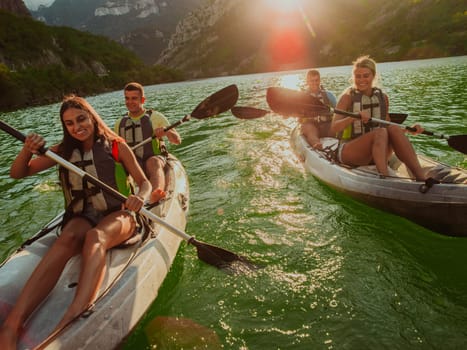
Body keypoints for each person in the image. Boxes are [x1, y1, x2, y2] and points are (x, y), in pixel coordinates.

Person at [0, 95, 151, 349]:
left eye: (81, 119)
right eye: (69, 123)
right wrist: (27, 148)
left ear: (91, 116)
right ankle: (12, 324)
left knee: (96, 238)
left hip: (120, 214)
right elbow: (19, 173)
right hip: (83, 215)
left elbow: (144, 181)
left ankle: (76, 311)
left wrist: (140, 197)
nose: (76, 126)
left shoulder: (116, 146)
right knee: (67, 238)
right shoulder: (62, 151)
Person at [330, 55, 427, 181]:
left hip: (377, 150)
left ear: (373, 76)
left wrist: (409, 130)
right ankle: (385, 177)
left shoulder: (383, 97)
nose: (361, 80)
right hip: (350, 151)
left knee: (394, 129)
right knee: (380, 132)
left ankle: (422, 178)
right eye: (358, 76)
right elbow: (334, 127)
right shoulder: (347, 97)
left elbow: (387, 126)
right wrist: (354, 117)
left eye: (366, 75)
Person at [115, 82, 181, 204]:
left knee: (153, 162)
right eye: (127, 98)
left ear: (143, 99)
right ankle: (120, 202)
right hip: (134, 163)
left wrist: (166, 132)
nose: (130, 102)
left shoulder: (155, 117)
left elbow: (177, 140)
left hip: (154, 158)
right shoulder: (120, 122)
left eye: (134, 98)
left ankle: (156, 193)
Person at [300, 69, 337, 149]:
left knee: (335, 127)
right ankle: (317, 144)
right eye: (311, 81)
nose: (314, 83)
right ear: (307, 81)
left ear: (320, 80)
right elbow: (298, 115)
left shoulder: (329, 95)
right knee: (310, 129)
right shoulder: (302, 97)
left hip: (326, 124)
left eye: (316, 80)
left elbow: (338, 111)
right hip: (311, 124)